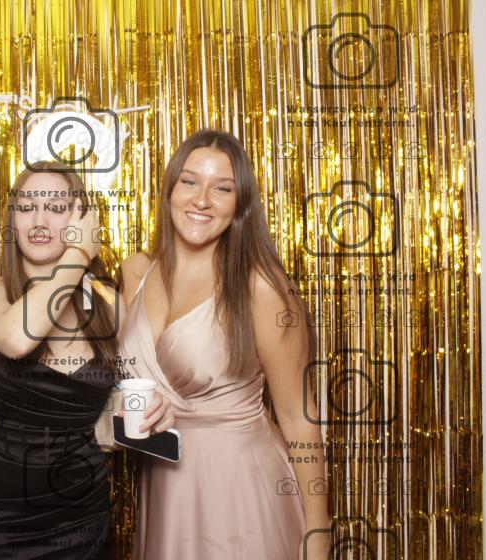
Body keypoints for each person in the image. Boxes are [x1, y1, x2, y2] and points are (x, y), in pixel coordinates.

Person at [118, 130, 331, 559]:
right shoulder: (137, 272)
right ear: (170, 189)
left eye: (222, 188)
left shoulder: (262, 288)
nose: (202, 200)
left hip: (242, 492)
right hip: (165, 491)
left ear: (240, 204)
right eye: (190, 181)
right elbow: (123, 396)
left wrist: (318, 532)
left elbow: (298, 418)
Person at [0, 161, 175, 559]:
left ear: (80, 218)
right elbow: (18, 338)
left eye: (56, 208)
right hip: (0, 523)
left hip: (84, 517)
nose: (39, 221)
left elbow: (117, 402)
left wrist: (151, 410)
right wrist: (78, 252)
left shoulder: (109, 307)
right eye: (27, 207)